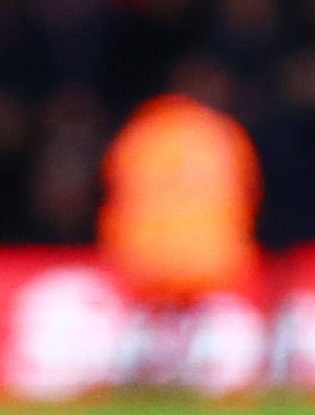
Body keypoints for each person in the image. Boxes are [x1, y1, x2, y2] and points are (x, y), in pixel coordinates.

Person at [98, 55, 262, 367]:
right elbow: (248, 194)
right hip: (210, 259)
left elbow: (114, 191)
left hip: (144, 259)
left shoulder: (140, 133)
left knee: (148, 323)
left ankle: (141, 370)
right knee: (211, 327)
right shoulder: (224, 134)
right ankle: (202, 370)